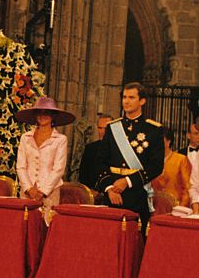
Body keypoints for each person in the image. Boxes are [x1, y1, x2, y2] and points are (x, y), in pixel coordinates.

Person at [95, 82, 164, 227]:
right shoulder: (113, 128)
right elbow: (100, 161)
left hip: (137, 194)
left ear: (142, 101)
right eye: (124, 97)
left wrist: (127, 181)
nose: (126, 101)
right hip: (111, 193)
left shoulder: (153, 130)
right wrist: (108, 188)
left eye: (131, 97)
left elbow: (156, 166)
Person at [15, 96, 74, 222]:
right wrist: (29, 188)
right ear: (35, 115)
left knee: (46, 226)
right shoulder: (26, 137)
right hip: (27, 192)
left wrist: (42, 191)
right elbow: (20, 166)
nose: (43, 115)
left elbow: (58, 169)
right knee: (26, 226)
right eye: (39, 112)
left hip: (50, 193)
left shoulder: (60, 139)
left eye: (47, 112)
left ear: (53, 115)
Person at [151, 127, 192, 207]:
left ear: (168, 142)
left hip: (175, 206)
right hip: (153, 207)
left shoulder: (181, 159)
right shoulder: (150, 160)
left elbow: (187, 188)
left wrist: (181, 208)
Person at [78, 114, 113, 190]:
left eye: (106, 128)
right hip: (93, 192)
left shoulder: (119, 149)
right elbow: (83, 174)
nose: (103, 131)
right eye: (100, 128)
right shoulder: (90, 148)